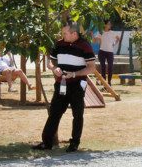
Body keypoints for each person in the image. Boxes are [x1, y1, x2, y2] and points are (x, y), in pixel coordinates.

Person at [33, 22, 96, 153]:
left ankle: (74, 143)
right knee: (54, 112)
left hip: (77, 85)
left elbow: (91, 68)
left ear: (74, 34)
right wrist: (54, 68)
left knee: (77, 114)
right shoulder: (59, 44)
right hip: (61, 83)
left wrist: (74, 74)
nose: (63, 35)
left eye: (65, 33)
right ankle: (47, 142)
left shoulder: (85, 46)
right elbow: (51, 61)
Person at [94, 20, 122, 85]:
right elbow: (94, 41)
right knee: (103, 67)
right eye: (108, 24)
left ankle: (109, 82)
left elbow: (118, 38)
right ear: (105, 25)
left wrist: (114, 43)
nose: (110, 25)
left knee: (110, 67)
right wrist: (92, 34)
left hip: (110, 52)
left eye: (110, 24)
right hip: (102, 52)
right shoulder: (101, 32)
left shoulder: (112, 33)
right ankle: (104, 82)